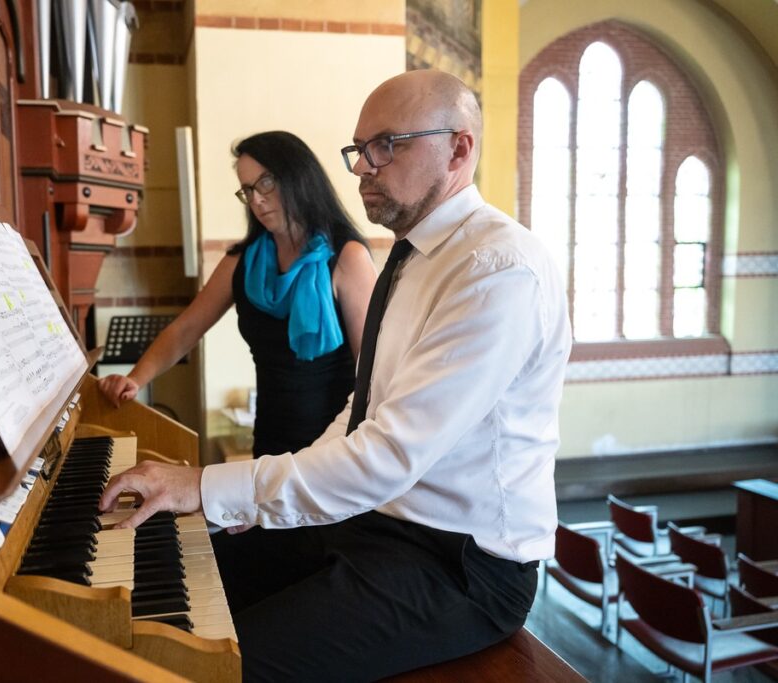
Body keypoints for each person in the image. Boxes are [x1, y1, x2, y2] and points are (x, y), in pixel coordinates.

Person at [99, 69, 572, 681]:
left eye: (387, 146)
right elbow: (363, 407)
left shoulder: (497, 270)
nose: (363, 168)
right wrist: (239, 501)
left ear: (459, 147)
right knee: (194, 579)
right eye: (359, 150)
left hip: (462, 564)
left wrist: (207, 485)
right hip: (379, 521)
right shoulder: (411, 254)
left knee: (228, 666)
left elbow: (388, 455)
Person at [98, 130, 376, 457]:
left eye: (265, 183)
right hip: (270, 443)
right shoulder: (242, 262)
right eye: (247, 189)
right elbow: (185, 330)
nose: (256, 199)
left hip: (334, 449)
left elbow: (371, 372)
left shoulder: (347, 258)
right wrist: (135, 379)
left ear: (297, 177)